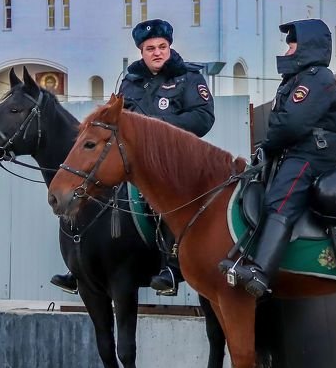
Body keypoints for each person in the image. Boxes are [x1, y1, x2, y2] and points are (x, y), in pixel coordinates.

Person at [51, 18, 215, 295]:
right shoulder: (131, 81)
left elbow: (203, 117)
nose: (157, 52)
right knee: (92, 191)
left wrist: (156, 125)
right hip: (131, 159)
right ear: (142, 51)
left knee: (162, 198)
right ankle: (79, 266)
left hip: (172, 157)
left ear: (170, 47)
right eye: (150, 48)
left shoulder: (188, 77)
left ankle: (171, 267)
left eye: (162, 46)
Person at [221, 18, 336, 298]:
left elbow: (291, 124)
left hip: (310, 154)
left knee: (281, 198)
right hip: (296, 150)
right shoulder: (299, 79)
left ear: (307, 47)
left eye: (292, 43)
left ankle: (261, 273)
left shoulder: (316, 78)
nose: (287, 49)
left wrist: (269, 144)